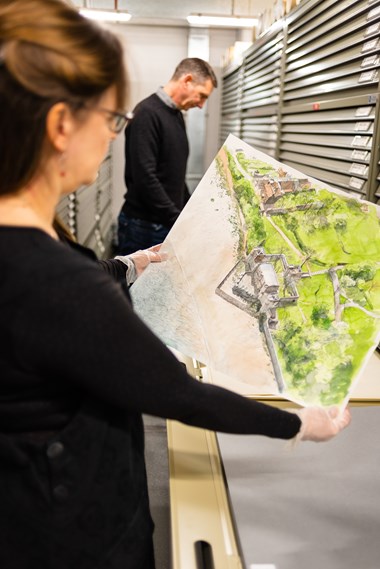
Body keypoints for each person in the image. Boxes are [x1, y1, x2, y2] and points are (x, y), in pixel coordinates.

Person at [0, 2, 351, 568]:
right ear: (62, 124)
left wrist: (126, 266)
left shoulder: (34, 248)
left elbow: (61, 304)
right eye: (111, 120)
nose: (114, 136)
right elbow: (177, 392)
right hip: (75, 534)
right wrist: (298, 424)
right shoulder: (55, 282)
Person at [116, 57, 218, 255]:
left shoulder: (176, 115)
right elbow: (145, 178)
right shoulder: (147, 113)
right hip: (143, 228)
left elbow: (174, 176)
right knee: (137, 287)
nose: (201, 105)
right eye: (202, 96)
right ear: (187, 80)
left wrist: (189, 211)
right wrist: (176, 219)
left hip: (163, 224)